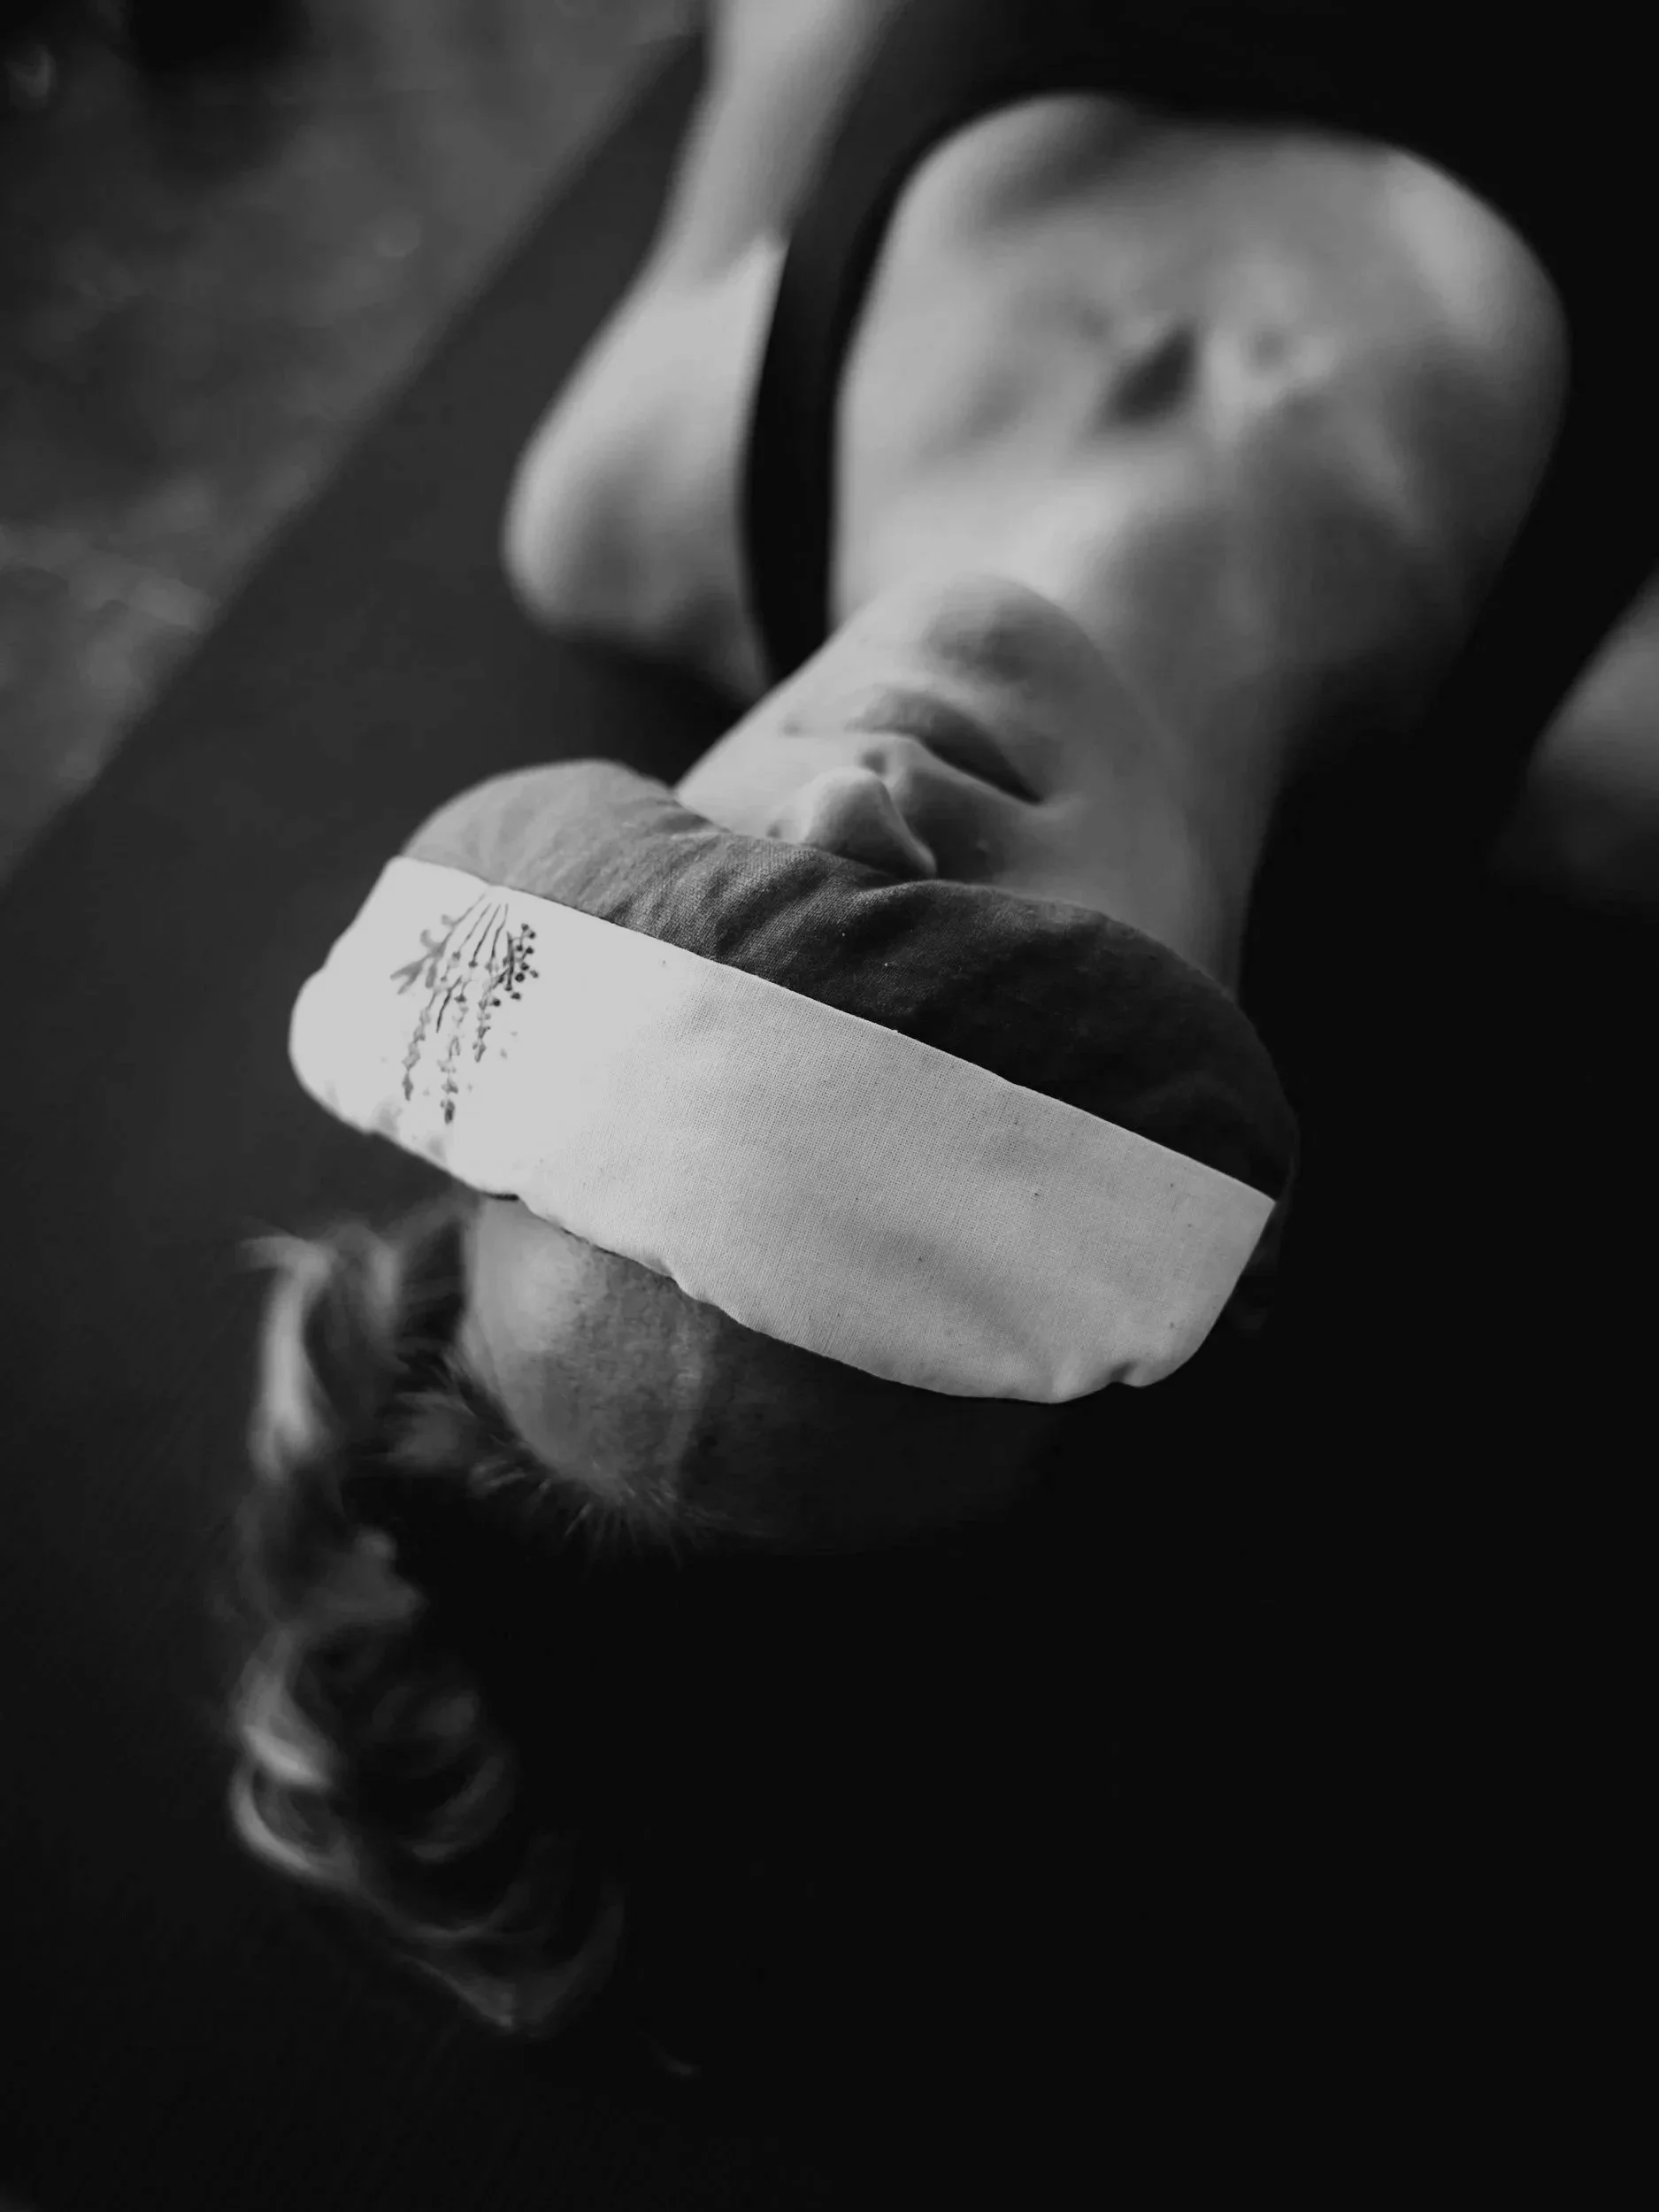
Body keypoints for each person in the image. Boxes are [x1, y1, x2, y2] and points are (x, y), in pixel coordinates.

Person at [218, 0, 1658, 2070]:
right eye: (912, 1102)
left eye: (682, 996)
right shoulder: (1607, 712)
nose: (835, 814)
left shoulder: (642, 485)